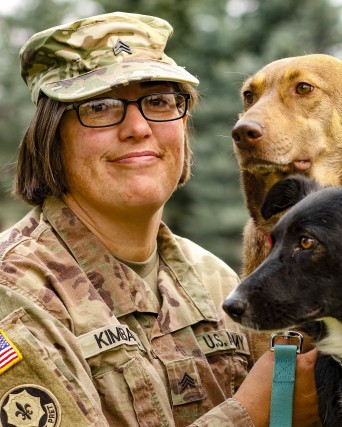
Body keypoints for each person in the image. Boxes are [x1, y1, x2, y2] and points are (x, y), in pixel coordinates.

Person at [0, 11, 318, 427]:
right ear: (51, 136)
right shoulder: (16, 294)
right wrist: (255, 413)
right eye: (100, 106)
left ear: (184, 124)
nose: (138, 127)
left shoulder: (214, 282)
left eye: (159, 101)